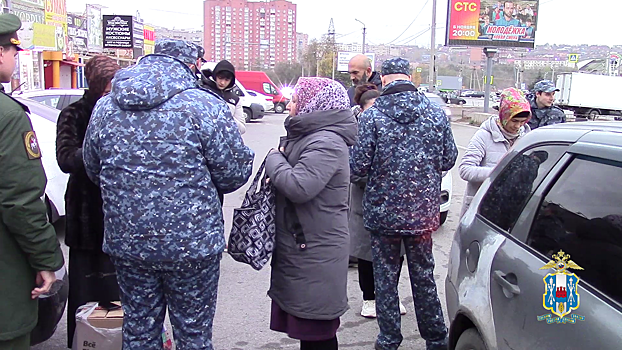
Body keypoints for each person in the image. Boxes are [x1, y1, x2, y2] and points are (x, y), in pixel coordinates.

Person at [82, 39, 254, 350]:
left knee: (138, 332)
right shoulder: (205, 106)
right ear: (191, 65)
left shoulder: (106, 107)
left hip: (129, 243)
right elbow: (233, 174)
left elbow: (93, 169)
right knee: (194, 336)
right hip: (192, 246)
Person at [350, 58, 457, 350]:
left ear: (383, 79)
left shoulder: (372, 117)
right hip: (422, 214)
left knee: (385, 278)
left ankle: (388, 340)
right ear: (410, 78)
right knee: (423, 275)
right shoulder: (436, 114)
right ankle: (436, 339)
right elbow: (449, 158)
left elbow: (357, 166)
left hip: (384, 216)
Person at [265, 77, 357, 350]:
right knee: (311, 331)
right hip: (307, 243)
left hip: (317, 248)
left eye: (295, 100)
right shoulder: (314, 136)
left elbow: (299, 186)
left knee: (318, 333)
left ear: (314, 105)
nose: (290, 106)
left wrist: (273, 158)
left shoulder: (326, 141)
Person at [0, 13, 64, 349]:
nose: (16, 57)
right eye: (13, 51)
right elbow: (21, 201)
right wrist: (46, 261)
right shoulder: (8, 117)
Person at [56, 55, 121, 348]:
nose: (111, 89)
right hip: (85, 216)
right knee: (85, 294)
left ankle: (114, 341)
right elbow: (65, 158)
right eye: (106, 83)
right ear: (95, 83)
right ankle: (83, 342)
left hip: (117, 218)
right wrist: (95, 153)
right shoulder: (74, 114)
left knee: (116, 296)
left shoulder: (122, 111)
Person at [349, 83, 407, 318]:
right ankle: (369, 297)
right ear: (362, 110)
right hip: (366, 200)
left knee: (396, 251)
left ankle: (391, 293)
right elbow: (353, 170)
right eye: (371, 108)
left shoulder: (394, 128)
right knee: (367, 252)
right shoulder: (354, 132)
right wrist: (380, 177)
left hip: (395, 204)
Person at [459, 88, 532, 217]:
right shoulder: (484, 136)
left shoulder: (527, 137)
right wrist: (500, 172)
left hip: (511, 209)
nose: (518, 126)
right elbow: (465, 170)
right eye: (514, 121)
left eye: (522, 121)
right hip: (481, 208)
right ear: (504, 116)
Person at [199, 59, 246, 134]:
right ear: (215, 76)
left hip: (226, 141)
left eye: (227, 80)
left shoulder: (235, 100)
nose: (222, 82)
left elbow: (242, 129)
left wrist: (226, 116)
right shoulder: (203, 91)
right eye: (220, 78)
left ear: (231, 80)